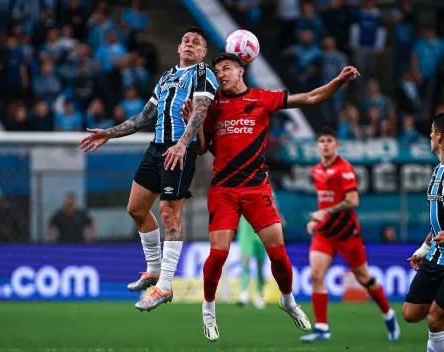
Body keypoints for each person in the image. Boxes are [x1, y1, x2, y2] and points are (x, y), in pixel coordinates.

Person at [181, 52, 359, 342]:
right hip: (224, 190)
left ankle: (287, 300)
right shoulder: (212, 106)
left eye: (227, 68)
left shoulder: (263, 98)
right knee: (219, 254)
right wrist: (195, 123)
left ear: (241, 70)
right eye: (217, 71)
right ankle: (209, 309)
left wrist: (338, 81)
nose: (221, 74)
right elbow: (203, 149)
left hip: (256, 189)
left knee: (278, 254)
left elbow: (311, 98)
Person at [79, 27, 218, 312]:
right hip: (156, 148)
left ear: (204, 52)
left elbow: (201, 110)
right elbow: (145, 117)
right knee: (136, 208)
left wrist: (181, 143)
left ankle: (164, 286)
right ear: (179, 49)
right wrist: (109, 132)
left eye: (197, 43)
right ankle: (153, 269)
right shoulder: (167, 78)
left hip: (180, 150)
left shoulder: (203, 74)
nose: (190, 45)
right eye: (186, 41)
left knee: (169, 213)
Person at [302, 127, 399, 343]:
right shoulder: (317, 170)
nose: (325, 144)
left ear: (337, 144)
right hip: (324, 233)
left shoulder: (344, 168)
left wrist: (324, 212)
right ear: (318, 146)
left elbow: (353, 201)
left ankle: (388, 314)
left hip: (347, 234)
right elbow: (325, 202)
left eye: (329, 140)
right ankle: (321, 327)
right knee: (316, 275)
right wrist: (316, 220)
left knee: (363, 278)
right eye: (322, 141)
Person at [403, 113, 444, 352]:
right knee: (411, 312)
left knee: (436, 317)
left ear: (439, 137)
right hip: (436, 257)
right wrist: (425, 247)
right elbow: (437, 220)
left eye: (431, 131)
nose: (428, 135)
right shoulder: (437, 171)